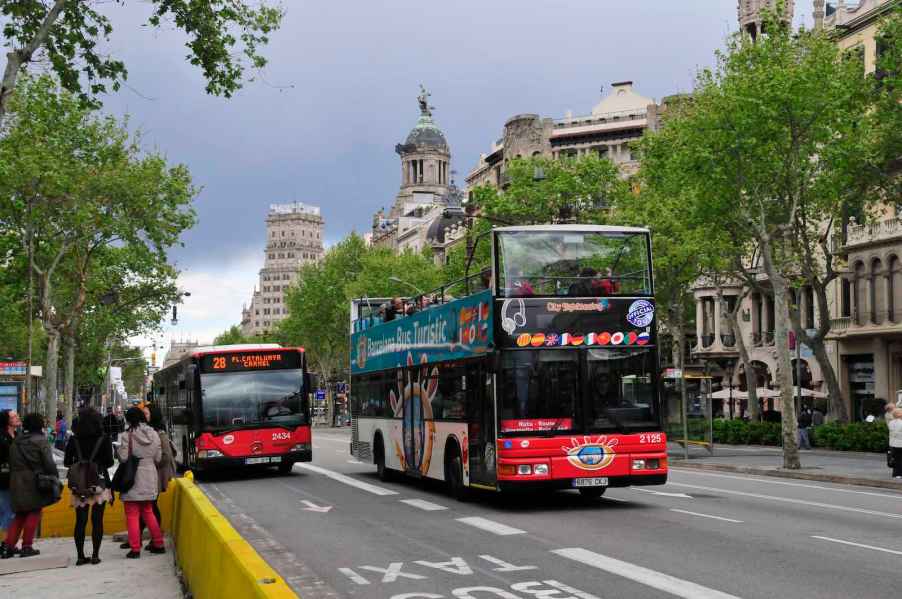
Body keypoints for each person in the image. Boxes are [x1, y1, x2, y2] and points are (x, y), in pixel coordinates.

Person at [2, 413, 58, 558]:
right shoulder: (40, 441)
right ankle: (27, 545)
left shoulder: (17, 441)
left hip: (15, 481)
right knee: (34, 511)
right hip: (33, 481)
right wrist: (54, 476)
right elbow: (49, 463)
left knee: (20, 514)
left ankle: (8, 546)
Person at [64, 407, 114, 565]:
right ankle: (95, 555)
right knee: (97, 520)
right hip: (99, 483)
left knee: (80, 521)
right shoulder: (104, 438)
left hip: (79, 485)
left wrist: (81, 464)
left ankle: (80, 556)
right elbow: (110, 462)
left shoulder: (74, 439)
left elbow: (67, 462)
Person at [117, 407, 164, 558]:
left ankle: (135, 548)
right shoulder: (155, 434)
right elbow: (158, 458)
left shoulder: (127, 435)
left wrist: (118, 451)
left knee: (132, 515)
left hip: (133, 477)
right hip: (150, 475)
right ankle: (158, 543)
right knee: (148, 511)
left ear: (129, 419)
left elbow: (124, 458)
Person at [0, 411, 20, 549]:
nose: (17, 417)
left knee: (7, 511)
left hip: (15, 479)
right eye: (13, 416)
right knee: (8, 511)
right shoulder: (2, 437)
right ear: (7, 421)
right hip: (3, 479)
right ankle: (6, 543)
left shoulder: (18, 436)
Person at [889, 408, 902, 480]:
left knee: (896, 459)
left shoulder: (891, 422)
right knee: (900, 459)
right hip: (900, 444)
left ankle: (895, 474)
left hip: (893, 444)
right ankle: (899, 474)